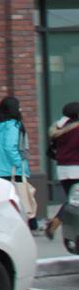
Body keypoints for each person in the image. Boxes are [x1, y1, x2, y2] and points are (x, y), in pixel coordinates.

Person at [0, 96, 33, 232]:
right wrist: (18, 163)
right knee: (20, 198)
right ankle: (28, 225)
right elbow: (10, 147)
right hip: (11, 170)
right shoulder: (13, 125)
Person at [48, 101, 79, 239]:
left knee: (72, 200)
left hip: (62, 169)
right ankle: (56, 221)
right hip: (76, 167)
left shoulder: (58, 128)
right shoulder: (77, 129)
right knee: (73, 201)